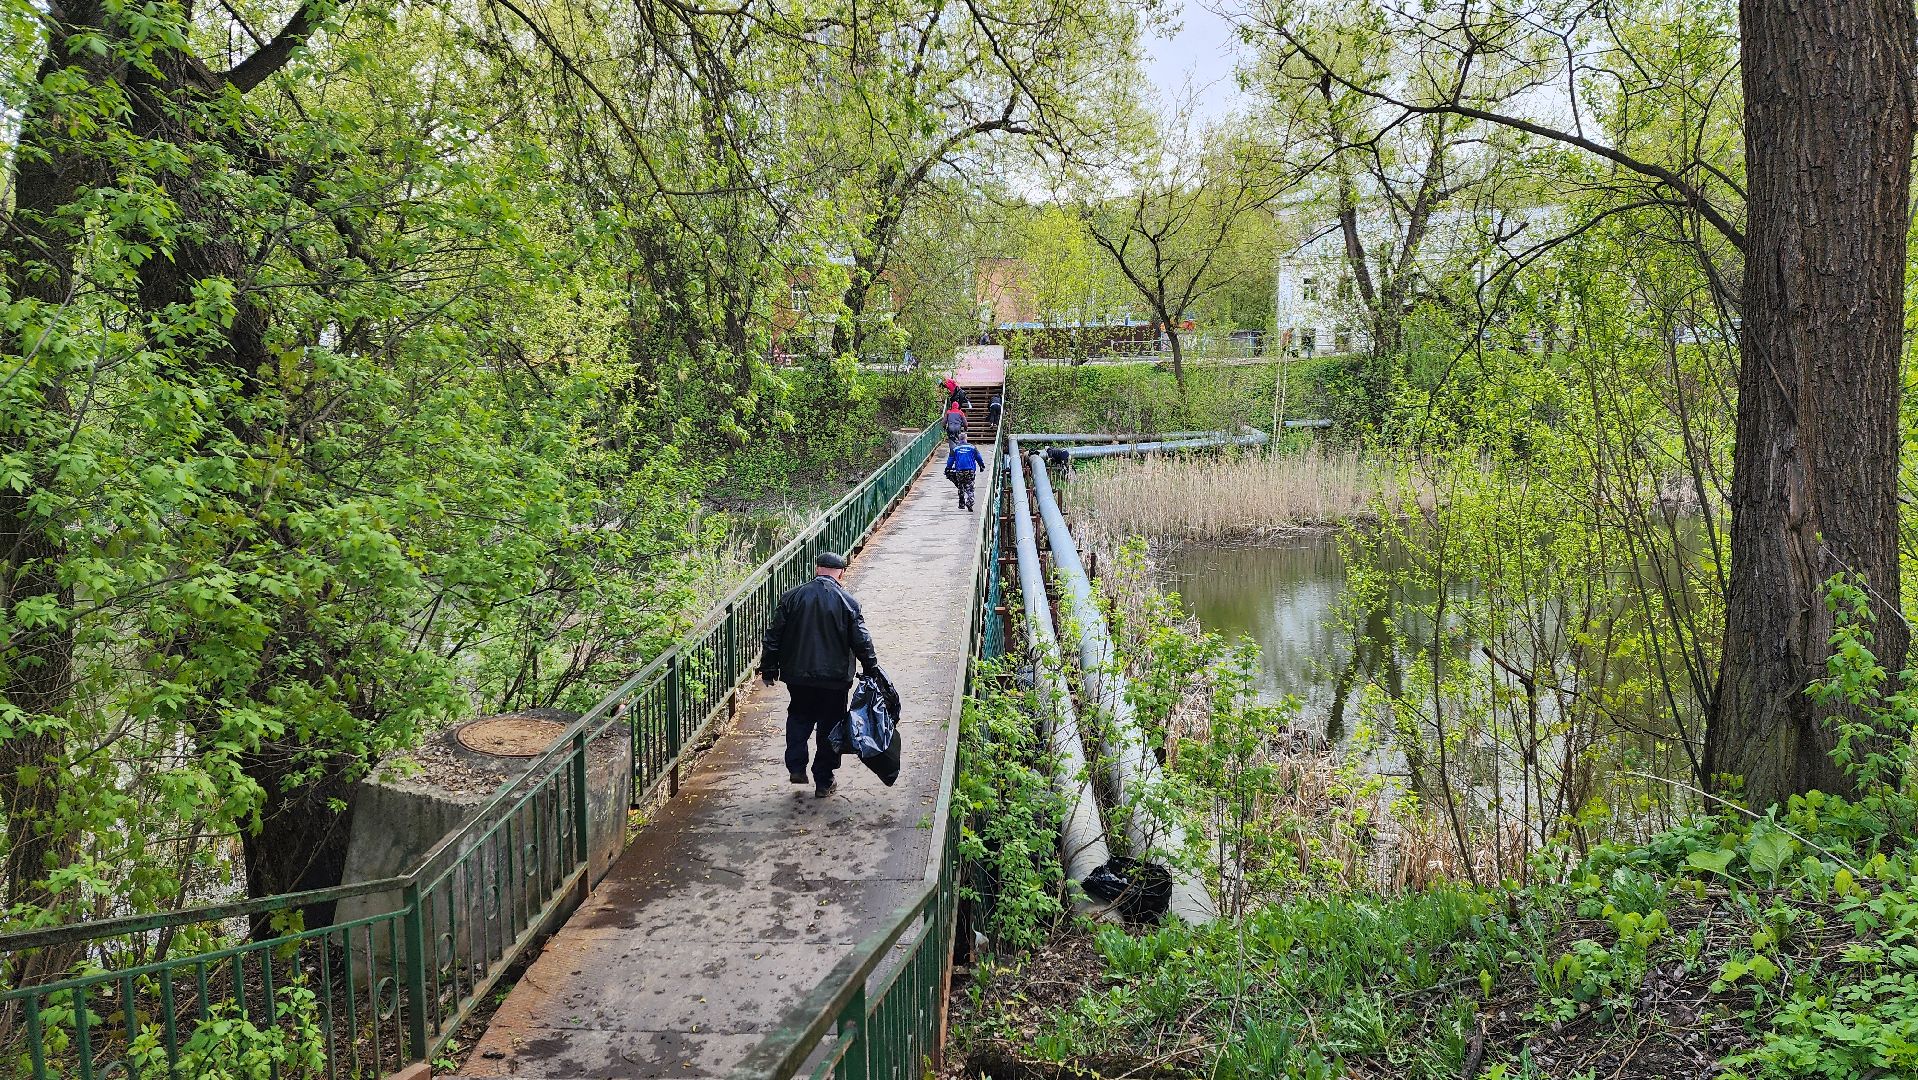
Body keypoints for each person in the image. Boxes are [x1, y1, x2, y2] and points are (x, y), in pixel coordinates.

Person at [761, 551, 881, 798]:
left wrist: (769, 667)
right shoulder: (848, 602)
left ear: (817, 569)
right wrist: (871, 668)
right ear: (841, 573)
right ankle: (824, 781)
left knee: (798, 717)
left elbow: (774, 636)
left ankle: (796, 766)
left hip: (798, 675)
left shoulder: (791, 597)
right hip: (835, 679)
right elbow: (862, 641)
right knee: (830, 727)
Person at [944, 436, 984, 511]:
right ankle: (970, 502)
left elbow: (951, 460)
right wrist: (981, 465)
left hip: (959, 471)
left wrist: (948, 468)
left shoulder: (955, 448)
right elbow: (978, 457)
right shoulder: (972, 447)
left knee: (960, 486)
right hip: (970, 470)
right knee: (970, 486)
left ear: (959, 440)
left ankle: (961, 504)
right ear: (966, 439)